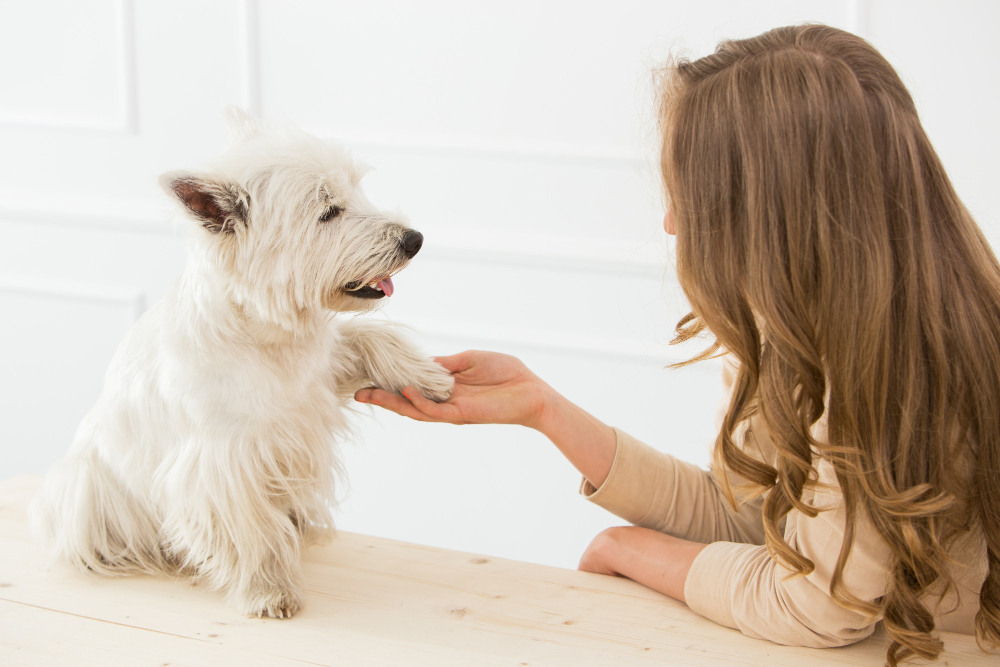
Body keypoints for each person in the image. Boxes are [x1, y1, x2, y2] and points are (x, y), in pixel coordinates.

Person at [355, 24, 999, 666]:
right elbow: (759, 521)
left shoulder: (877, 374)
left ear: (771, 209)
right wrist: (543, 408)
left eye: (689, 193)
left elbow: (819, 607)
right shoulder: (794, 328)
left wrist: (631, 549)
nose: (670, 220)